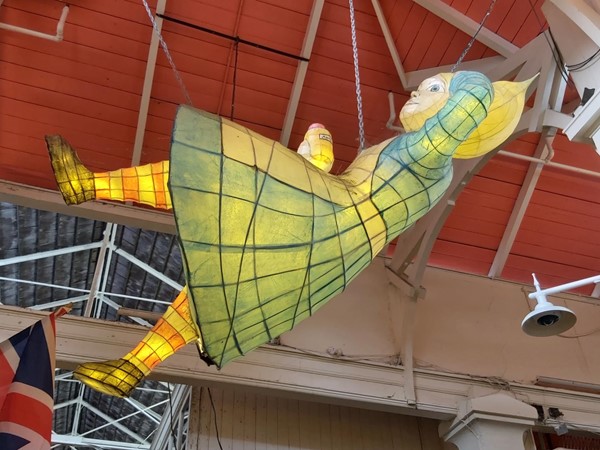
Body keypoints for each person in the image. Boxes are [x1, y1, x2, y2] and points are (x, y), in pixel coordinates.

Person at [47, 71, 530, 397]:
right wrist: (316, 154)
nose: (414, 95)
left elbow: (469, 105)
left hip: (338, 221)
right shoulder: (417, 154)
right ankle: (134, 365)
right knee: (220, 289)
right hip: (335, 239)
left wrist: (471, 83)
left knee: (219, 174)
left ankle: (92, 185)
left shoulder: (432, 153)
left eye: (430, 90)